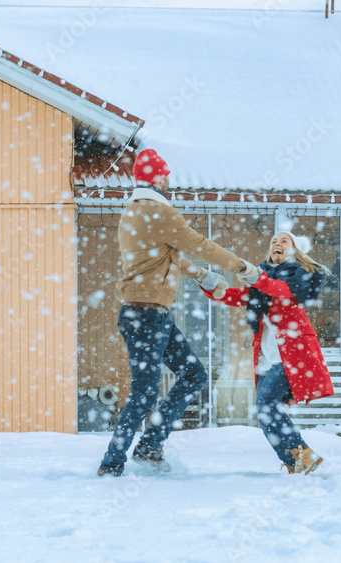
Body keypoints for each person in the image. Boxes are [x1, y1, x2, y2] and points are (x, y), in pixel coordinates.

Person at [98, 149, 259, 477]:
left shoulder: (133, 212)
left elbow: (167, 255)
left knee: (193, 375)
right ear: (156, 177)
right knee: (144, 395)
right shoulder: (160, 213)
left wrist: (202, 276)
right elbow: (200, 246)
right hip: (147, 317)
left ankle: (149, 445)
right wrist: (242, 268)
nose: (169, 180)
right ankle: (112, 462)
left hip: (146, 315)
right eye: (166, 174)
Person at [204, 230, 334, 474]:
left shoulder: (299, 276)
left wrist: (256, 278)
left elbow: (280, 289)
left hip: (291, 354)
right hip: (266, 357)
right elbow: (238, 296)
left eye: (284, 241)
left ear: (294, 250)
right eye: (274, 241)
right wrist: (209, 284)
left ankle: (303, 455)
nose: (277, 243)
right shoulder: (262, 283)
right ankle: (295, 461)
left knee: (266, 406)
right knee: (264, 413)